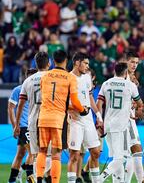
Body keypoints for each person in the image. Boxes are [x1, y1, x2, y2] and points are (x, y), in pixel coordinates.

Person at [36, 50, 89, 183]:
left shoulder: (45, 76)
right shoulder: (70, 77)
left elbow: (44, 95)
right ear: (66, 61)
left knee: (42, 150)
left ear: (53, 61)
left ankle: (38, 179)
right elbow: (75, 101)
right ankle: (54, 181)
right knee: (56, 154)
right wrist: (83, 110)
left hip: (42, 117)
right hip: (58, 120)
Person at [97, 62, 144, 182]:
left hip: (108, 124)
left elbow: (99, 104)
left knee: (115, 157)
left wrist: (100, 120)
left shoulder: (106, 84)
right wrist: (137, 109)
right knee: (122, 158)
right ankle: (99, 179)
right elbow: (139, 103)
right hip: (121, 126)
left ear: (115, 71)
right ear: (126, 73)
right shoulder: (130, 85)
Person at [13, 52, 51, 183]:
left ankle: (35, 177)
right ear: (49, 63)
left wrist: (17, 125)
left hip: (33, 121)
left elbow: (20, 105)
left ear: (36, 63)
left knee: (36, 155)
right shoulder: (53, 77)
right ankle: (37, 177)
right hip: (50, 120)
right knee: (52, 155)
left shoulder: (28, 81)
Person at [67, 52, 103, 183]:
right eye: (85, 63)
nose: (88, 66)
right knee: (74, 155)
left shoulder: (87, 77)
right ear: (77, 63)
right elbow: (63, 101)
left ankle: (96, 181)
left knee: (95, 152)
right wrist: (71, 110)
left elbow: (90, 97)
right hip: (75, 121)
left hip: (88, 121)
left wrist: (98, 115)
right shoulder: (68, 78)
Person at [8, 68, 37, 183]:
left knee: (20, 154)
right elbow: (10, 108)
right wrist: (15, 126)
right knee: (32, 152)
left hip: (33, 125)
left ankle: (12, 179)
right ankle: (30, 180)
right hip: (24, 126)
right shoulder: (18, 90)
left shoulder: (38, 90)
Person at [124, 52, 144, 183]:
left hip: (130, 118)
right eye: (132, 62)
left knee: (130, 153)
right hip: (126, 120)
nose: (134, 65)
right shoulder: (125, 78)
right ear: (126, 61)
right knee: (136, 150)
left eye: (136, 63)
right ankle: (141, 180)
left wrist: (137, 107)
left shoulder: (133, 78)